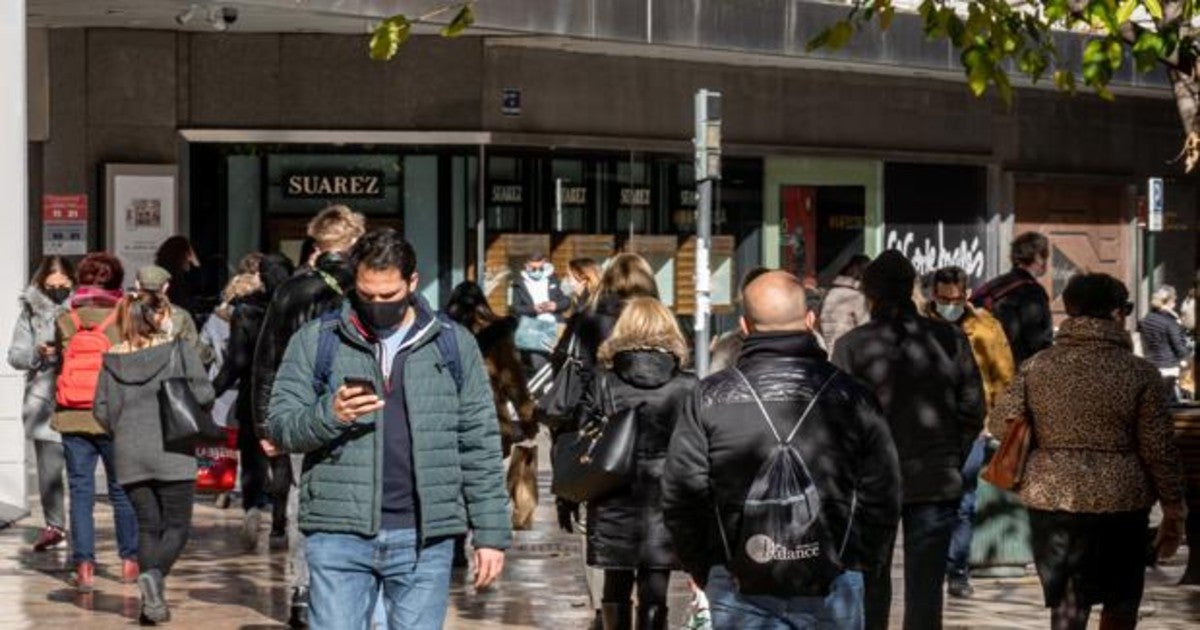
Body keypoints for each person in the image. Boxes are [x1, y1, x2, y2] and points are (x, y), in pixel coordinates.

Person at [266, 228, 510, 630]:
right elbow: (280, 427)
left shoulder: (453, 344)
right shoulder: (317, 341)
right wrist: (330, 414)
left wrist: (490, 534)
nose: (377, 305)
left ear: (412, 283)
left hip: (424, 537)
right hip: (338, 532)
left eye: (389, 296)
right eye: (366, 295)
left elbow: (479, 443)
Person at [662, 271, 902, 628]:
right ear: (810, 320)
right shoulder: (854, 396)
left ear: (744, 326)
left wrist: (705, 565)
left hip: (737, 581)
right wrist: (861, 563)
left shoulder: (708, 397)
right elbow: (882, 493)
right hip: (834, 581)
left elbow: (683, 494)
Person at [989, 273, 1186, 630]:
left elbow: (1000, 424)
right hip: (1123, 499)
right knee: (1121, 600)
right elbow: (1158, 447)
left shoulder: (1037, 367)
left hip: (1052, 496)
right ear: (1115, 313)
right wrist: (1173, 505)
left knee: (1068, 603)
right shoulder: (1140, 373)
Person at [832, 250, 985, 630]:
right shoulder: (949, 338)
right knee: (926, 588)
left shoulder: (852, 345)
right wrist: (952, 454)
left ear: (870, 294)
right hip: (934, 475)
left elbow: (836, 419)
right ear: (912, 290)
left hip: (872, 481)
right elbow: (973, 407)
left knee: (871, 578)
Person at [252, 205, 365, 628]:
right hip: (359, 402)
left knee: (304, 497)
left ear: (316, 244)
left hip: (299, 408)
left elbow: (265, 360)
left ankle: (304, 590)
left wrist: (265, 423)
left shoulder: (291, 291)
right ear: (354, 240)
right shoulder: (369, 289)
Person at [558, 297, 697, 630]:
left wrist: (568, 496)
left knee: (615, 584)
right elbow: (698, 449)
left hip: (612, 495)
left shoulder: (604, 381)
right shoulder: (688, 385)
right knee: (656, 588)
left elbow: (580, 439)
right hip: (666, 498)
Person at [94, 289, 214, 624]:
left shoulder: (112, 358)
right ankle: (155, 576)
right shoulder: (178, 348)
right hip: (172, 449)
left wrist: (125, 428)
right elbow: (204, 392)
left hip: (129, 452)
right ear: (158, 315)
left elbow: (101, 409)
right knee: (176, 526)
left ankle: (152, 606)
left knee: (148, 526)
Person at [924, 265, 1017, 599]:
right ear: (932, 294)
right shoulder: (920, 325)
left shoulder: (986, 329)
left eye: (956, 298)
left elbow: (1004, 378)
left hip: (971, 429)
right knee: (931, 505)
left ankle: (957, 571)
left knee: (963, 503)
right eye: (942, 297)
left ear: (966, 295)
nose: (949, 303)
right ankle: (933, 570)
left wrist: (994, 425)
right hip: (928, 430)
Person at [51, 252, 140, 591]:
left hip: (72, 414)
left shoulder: (66, 318)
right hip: (115, 415)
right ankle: (130, 560)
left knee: (80, 491)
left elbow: (59, 358)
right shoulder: (125, 315)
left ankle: (84, 564)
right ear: (116, 280)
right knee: (122, 490)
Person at [8, 256, 74, 552]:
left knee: (80, 469)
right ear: (41, 283)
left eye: (64, 285)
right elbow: (15, 355)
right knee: (49, 469)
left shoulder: (85, 308)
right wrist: (37, 353)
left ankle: (82, 529)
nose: (57, 290)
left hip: (80, 395)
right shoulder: (31, 311)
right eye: (51, 285)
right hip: (44, 397)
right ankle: (55, 526)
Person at [445, 281, 536, 458]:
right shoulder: (498, 333)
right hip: (488, 419)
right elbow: (513, 381)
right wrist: (528, 421)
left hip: (447, 422)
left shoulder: (441, 331)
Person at [970, 232, 1054, 365]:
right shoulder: (1032, 291)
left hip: (988, 366)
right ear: (1038, 257)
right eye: (1045, 257)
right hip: (1016, 370)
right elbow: (1037, 341)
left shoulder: (995, 285)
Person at [135, 264, 216, 367]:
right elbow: (195, 351)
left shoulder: (123, 313)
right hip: (167, 375)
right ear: (165, 287)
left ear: (137, 285)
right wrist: (211, 355)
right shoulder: (179, 316)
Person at [511, 252, 571, 372]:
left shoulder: (554, 280)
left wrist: (555, 306)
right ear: (526, 266)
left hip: (555, 328)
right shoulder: (518, 284)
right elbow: (515, 308)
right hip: (534, 330)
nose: (537, 271)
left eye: (541, 268)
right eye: (533, 268)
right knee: (539, 366)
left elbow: (566, 301)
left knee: (559, 365)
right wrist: (533, 309)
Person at [1139, 285, 1193, 400]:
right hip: (1169, 369)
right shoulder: (1170, 322)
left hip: (1150, 366)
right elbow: (1180, 350)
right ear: (1167, 301)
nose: (1175, 304)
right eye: (1174, 300)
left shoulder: (1146, 319)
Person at [819, 254, 871, 353]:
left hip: (829, 351)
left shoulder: (831, 293)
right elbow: (866, 330)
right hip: (848, 354)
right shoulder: (856, 297)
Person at [154, 235, 204, 321]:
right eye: (189, 254)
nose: (190, 259)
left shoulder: (161, 276)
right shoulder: (177, 282)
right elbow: (200, 284)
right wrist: (195, 262)